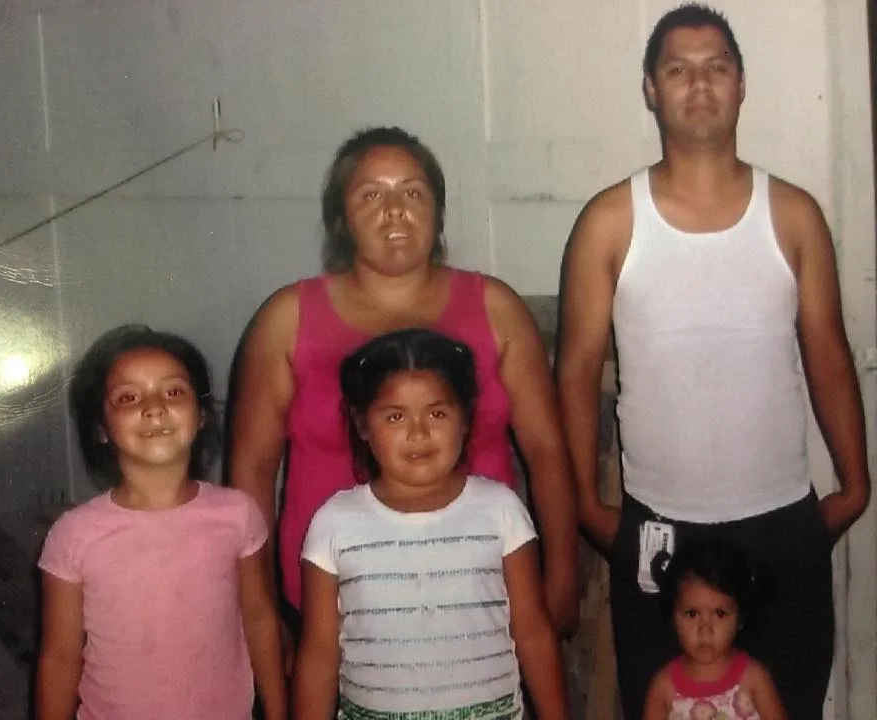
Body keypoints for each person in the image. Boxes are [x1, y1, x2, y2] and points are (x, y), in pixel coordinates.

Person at [555, 4, 870, 719]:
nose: (699, 85)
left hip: (781, 525)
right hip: (661, 534)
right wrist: (586, 507)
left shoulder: (793, 216)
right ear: (651, 89)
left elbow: (828, 353)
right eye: (678, 69)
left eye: (716, 67)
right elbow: (574, 373)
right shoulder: (610, 222)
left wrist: (855, 487)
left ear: (742, 84)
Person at [229, 126, 578, 640]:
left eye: (412, 192)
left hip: (481, 596)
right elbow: (252, 471)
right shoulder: (286, 320)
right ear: (341, 217)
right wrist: (259, 609)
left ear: (438, 210)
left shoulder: (496, 309)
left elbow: (546, 450)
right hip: (333, 608)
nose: (395, 211)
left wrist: (562, 577)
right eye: (371, 195)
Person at [292, 329, 570, 719]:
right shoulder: (334, 524)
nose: (418, 433)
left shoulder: (501, 511)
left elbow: (534, 634)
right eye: (395, 416)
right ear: (362, 424)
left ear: (466, 419)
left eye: (437, 413)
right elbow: (319, 656)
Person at [36, 325, 286, 720]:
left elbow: (260, 618)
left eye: (173, 392)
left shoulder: (238, 514)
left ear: (201, 415)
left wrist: (278, 712)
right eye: (128, 397)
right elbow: (60, 656)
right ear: (101, 427)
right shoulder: (73, 535)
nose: (154, 408)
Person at [643, 538, 786, 720]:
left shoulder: (754, 678)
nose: (705, 629)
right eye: (692, 614)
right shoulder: (663, 688)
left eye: (719, 613)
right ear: (672, 617)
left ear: (740, 618)